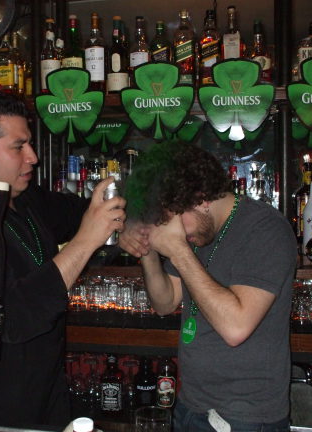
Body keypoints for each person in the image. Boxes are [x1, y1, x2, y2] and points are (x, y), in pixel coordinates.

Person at [0, 92, 125, 429]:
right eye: (18, 147)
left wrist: (120, 218)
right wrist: (85, 241)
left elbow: (82, 212)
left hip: (47, 393)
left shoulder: (24, 199)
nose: (34, 158)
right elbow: (10, 318)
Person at [120, 141, 297, 432]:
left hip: (246, 417)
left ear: (200, 197)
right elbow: (165, 302)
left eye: (171, 220)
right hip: (191, 405)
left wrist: (177, 249)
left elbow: (236, 327)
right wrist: (147, 250)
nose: (175, 231)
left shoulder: (266, 229)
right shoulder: (195, 234)